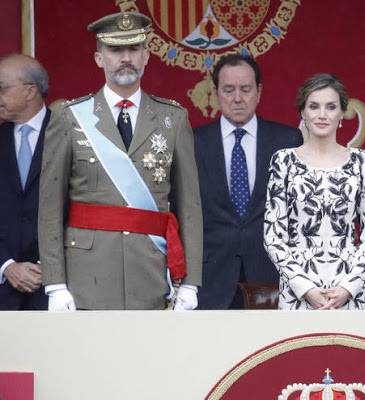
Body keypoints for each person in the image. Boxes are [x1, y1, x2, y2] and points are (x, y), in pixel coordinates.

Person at [38, 12, 202, 310]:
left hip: (151, 275)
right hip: (86, 277)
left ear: (146, 56)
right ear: (99, 58)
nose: (126, 58)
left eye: (134, 48)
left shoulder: (173, 119)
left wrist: (190, 283)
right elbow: (50, 208)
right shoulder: (70, 117)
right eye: (115, 50)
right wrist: (55, 284)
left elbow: (189, 207)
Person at [263, 73, 365, 310]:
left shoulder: (361, 161)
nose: (322, 114)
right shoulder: (283, 161)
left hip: (348, 290)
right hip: (297, 291)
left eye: (331, 107)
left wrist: (349, 287)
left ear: (342, 113)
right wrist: (305, 288)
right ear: (303, 112)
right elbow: (273, 235)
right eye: (314, 106)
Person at [194, 54, 302, 309]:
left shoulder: (287, 140)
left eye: (245, 89)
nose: (237, 98)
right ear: (216, 93)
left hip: (271, 278)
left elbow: (298, 213)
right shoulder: (193, 142)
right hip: (210, 279)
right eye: (228, 90)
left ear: (259, 92)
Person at [0, 54, 50, 310]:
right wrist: (6, 265)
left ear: (30, 91)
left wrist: (48, 265)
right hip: (3, 288)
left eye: (2, 88)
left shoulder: (71, 135)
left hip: (56, 288)